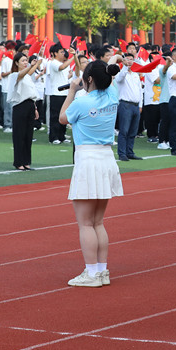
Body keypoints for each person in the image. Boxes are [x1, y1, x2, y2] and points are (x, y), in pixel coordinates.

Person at [59, 59, 123, 287]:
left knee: (85, 223)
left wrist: (72, 91)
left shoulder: (81, 101)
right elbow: (112, 70)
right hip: (106, 159)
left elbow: (63, 118)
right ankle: (101, 271)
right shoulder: (112, 95)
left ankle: (91, 273)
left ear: (89, 79)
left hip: (87, 160)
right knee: (98, 222)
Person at [9, 52, 41, 170]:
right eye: (22, 60)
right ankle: (18, 162)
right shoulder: (14, 75)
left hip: (30, 105)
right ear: (16, 63)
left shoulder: (27, 76)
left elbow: (32, 93)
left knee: (28, 135)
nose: (25, 62)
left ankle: (26, 161)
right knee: (19, 135)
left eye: (26, 60)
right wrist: (31, 66)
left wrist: (35, 108)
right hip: (19, 106)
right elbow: (20, 75)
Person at [115, 51, 144, 161]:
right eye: (127, 59)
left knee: (133, 131)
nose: (129, 61)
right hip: (125, 104)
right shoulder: (121, 73)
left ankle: (130, 152)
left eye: (131, 59)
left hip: (135, 105)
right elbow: (119, 79)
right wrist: (125, 67)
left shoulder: (136, 75)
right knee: (124, 130)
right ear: (123, 61)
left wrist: (140, 105)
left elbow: (140, 91)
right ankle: (122, 153)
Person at [47, 43, 74, 144]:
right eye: (61, 52)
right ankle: (54, 137)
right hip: (56, 93)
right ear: (54, 53)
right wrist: (73, 57)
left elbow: (62, 77)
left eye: (63, 51)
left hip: (64, 93)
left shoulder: (63, 64)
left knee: (64, 116)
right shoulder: (53, 62)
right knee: (55, 116)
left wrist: (69, 76)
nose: (63, 53)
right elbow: (61, 67)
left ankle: (61, 136)